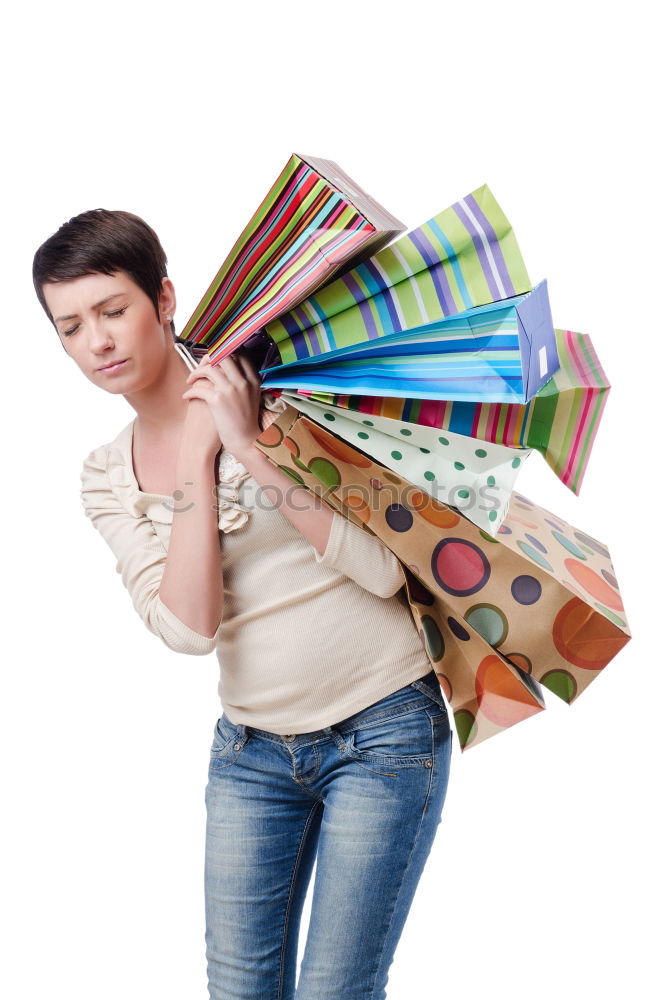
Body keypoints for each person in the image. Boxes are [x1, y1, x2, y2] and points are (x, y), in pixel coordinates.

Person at [33, 208, 453, 1000]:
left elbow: (383, 573)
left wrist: (250, 446)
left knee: (335, 989)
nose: (98, 342)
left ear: (164, 297)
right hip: (253, 755)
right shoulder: (105, 476)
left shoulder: (276, 384)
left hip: (386, 729)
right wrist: (197, 457)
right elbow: (188, 629)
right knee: (239, 990)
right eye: (71, 327)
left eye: (113, 310)